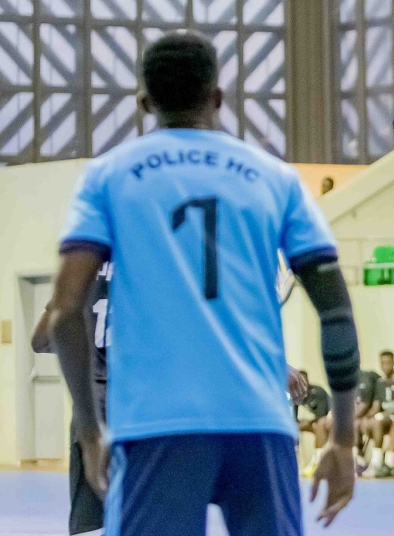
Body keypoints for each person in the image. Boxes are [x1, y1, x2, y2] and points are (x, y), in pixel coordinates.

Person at [48, 32, 359, 533]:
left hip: (156, 425)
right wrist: (343, 439)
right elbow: (337, 314)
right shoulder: (275, 179)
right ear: (218, 96)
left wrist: (89, 431)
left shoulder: (109, 177)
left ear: (145, 102)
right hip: (258, 423)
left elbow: (64, 313)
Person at [31, 261, 112, 535]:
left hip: (92, 413)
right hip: (140, 410)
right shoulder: (146, 264)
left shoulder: (84, 270)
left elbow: (40, 340)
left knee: (90, 525)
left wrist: (81, 350)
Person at [295, 370, 332, 477]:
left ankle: (317, 460)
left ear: (308, 381)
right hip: (316, 421)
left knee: (320, 424)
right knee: (294, 427)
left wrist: (308, 421)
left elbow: (321, 415)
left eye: (303, 380)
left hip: (331, 419)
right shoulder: (296, 394)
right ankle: (296, 462)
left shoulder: (318, 391)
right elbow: (294, 416)